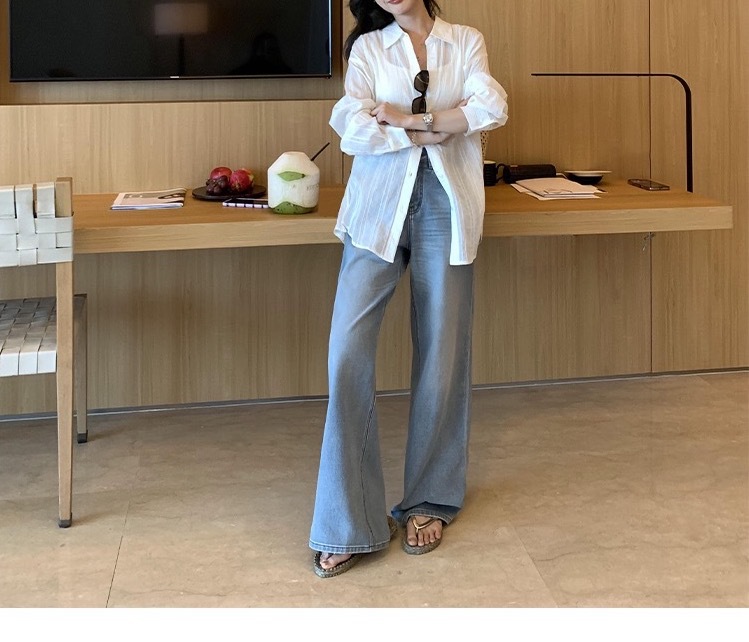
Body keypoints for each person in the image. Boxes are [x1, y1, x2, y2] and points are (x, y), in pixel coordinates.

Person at [309, 0, 508, 578]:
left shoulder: (464, 41)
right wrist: (437, 125)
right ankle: (348, 521)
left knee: (442, 354)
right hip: (376, 211)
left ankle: (430, 499)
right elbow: (352, 129)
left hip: (448, 207)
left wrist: (401, 118)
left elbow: (492, 106)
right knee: (346, 352)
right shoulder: (368, 49)